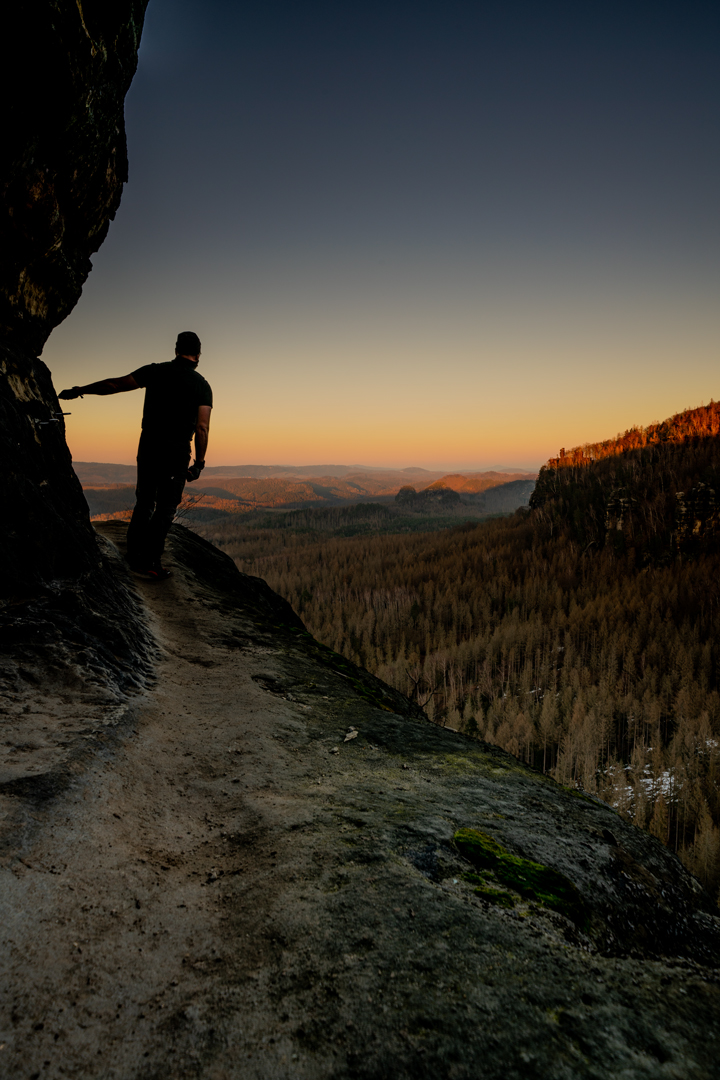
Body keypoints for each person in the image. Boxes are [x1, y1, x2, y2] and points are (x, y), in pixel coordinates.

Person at [59, 330, 212, 580]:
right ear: (198, 355)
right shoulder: (201, 386)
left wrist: (80, 389)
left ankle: (134, 554)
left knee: (144, 500)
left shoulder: (154, 371)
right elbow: (202, 427)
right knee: (165, 507)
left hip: (149, 445)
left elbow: (116, 384)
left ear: (175, 350)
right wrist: (200, 463)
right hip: (176, 450)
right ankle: (150, 562)